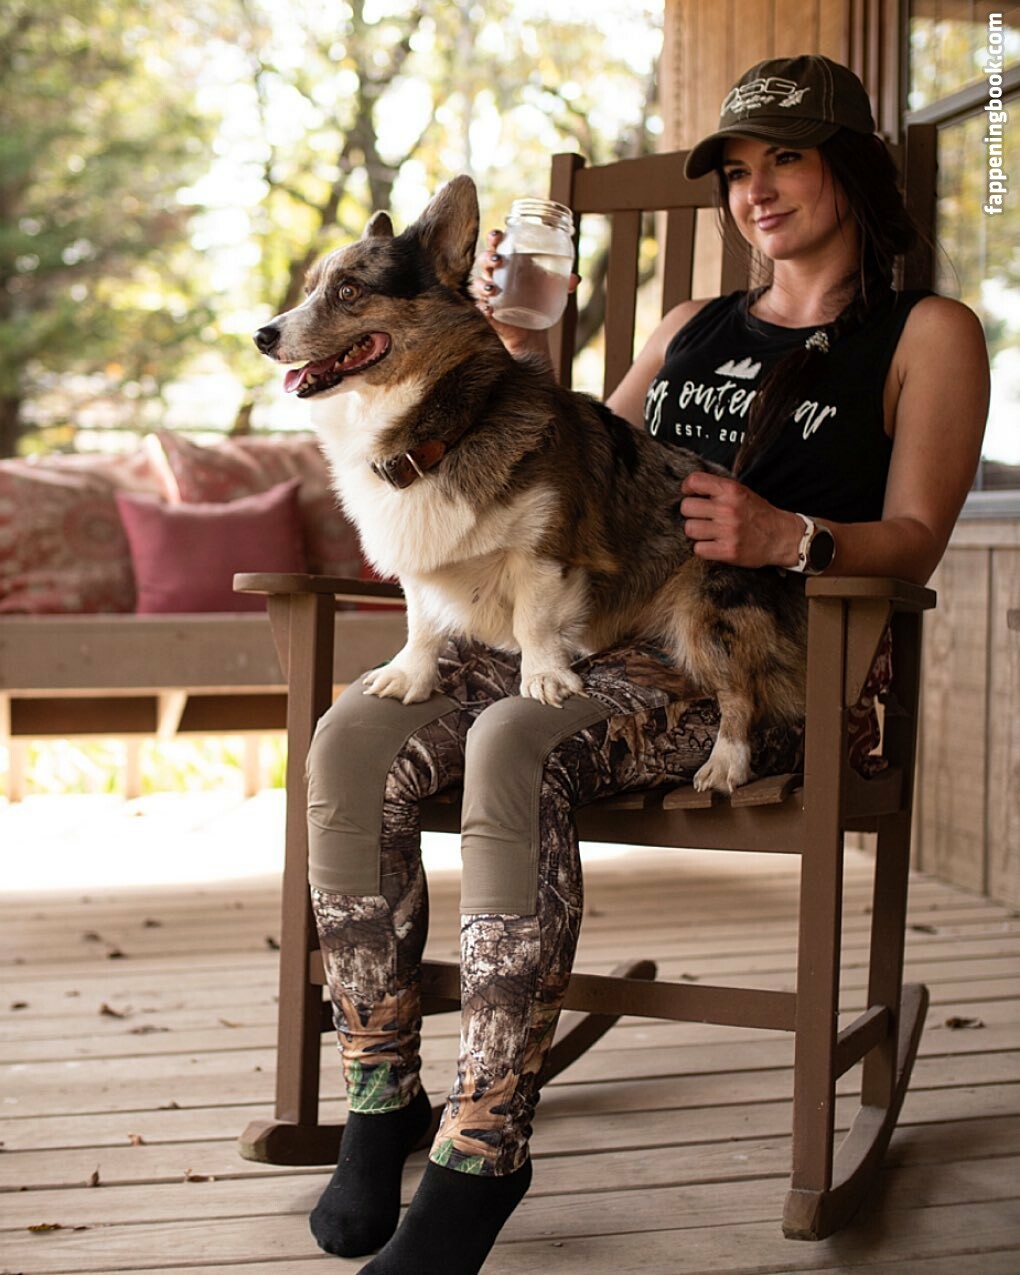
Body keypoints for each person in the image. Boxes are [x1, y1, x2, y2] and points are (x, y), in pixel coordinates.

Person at [303, 54, 988, 1275]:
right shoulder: (688, 328)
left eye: (786, 159)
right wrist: (514, 340)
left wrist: (793, 536)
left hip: (772, 659)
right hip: (589, 631)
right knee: (355, 738)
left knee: (515, 740)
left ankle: (484, 1146)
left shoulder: (925, 333)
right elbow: (575, 467)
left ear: (853, 171)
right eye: (737, 170)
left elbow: (919, 536)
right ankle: (380, 1091)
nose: (756, 189)